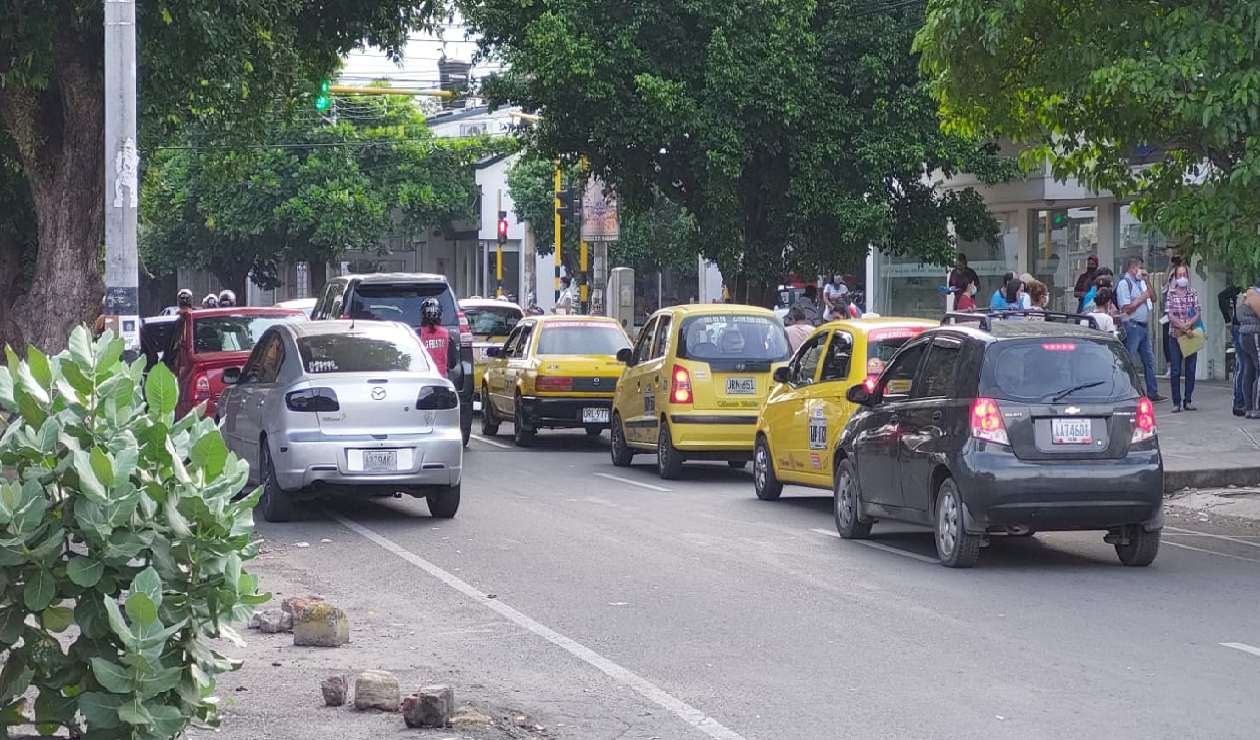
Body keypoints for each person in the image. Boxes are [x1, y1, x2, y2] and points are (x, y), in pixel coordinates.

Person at [1116, 257, 1163, 401]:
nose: (1141, 270)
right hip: (1132, 325)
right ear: (1132, 268)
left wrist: (1147, 281)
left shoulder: (1141, 283)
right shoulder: (1124, 284)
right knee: (1129, 359)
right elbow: (1126, 308)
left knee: (1149, 360)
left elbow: (1153, 298)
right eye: (1138, 267)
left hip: (1143, 326)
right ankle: (1128, 391)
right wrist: (1141, 298)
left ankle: (1153, 392)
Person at [1164, 263, 1201, 412]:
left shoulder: (1193, 292)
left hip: (1190, 335)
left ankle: (1188, 400)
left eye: (1184, 275)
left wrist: (1189, 324)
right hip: (1175, 335)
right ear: (1175, 277)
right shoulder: (1171, 293)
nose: (1182, 278)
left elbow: (1197, 312)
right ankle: (1176, 402)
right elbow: (1169, 314)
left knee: (1191, 369)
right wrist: (1181, 325)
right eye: (1179, 275)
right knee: (1175, 370)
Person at [1220, 283, 1248, 415]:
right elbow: (1221, 297)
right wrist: (1228, 320)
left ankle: (1243, 401)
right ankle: (1239, 402)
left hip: (1242, 326)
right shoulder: (1240, 286)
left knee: (1245, 366)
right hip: (1240, 327)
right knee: (1242, 365)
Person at [1237, 283, 1260, 419]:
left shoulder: (1246, 294)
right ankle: (1256, 408)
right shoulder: (1255, 294)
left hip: (1245, 334)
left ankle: (1248, 407)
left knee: (1249, 371)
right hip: (1254, 334)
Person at [418, 297, 451, 378]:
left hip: (423, 376)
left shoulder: (417, 334)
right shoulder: (446, 334)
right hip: (441, 377)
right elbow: (453, 362)